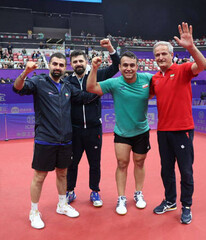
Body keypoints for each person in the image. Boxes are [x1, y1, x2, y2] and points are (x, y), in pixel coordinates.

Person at [13, 52, 97, 229]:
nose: (58, 67)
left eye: (61, 65)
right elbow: (18, 88)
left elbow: (84, 97)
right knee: (40, 176)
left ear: (65, 68)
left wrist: (105, 88)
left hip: (66, 139)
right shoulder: (38, 82)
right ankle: (34, 211)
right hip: (45, 139)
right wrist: (25, 72)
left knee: (63, 173)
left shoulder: (67, 86)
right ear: (49, 66)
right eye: (55, 64)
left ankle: (62, 204)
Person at [150, 22, 206, 224]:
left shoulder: (183, 70)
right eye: (157, 55)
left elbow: (203, 65)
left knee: (185, 170)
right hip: (162, 131)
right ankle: (170, 200)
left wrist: (191, 47)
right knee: (166, 170)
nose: (161, 57)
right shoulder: (155, 78)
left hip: (182, 130)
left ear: (171, 54)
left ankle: (187, 206)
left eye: (164, 53)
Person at [87, 51, 152, 215]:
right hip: (122, 133)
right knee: (122, 164)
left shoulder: (147, 79)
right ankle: (121, 198)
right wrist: (94, 69)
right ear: (120, 67)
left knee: (139, 163)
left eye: (132, 65)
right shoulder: (114, 83)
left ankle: (138, 193)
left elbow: (162, 88)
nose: (129, 68)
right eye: (125, 65)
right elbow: (91, 87)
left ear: (137, 66)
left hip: (142, 131)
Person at [65, 38, 120, 207]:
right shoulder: (68, 81)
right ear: (71, 65)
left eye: (80, 60)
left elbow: (116, 66)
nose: (78, 64)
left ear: (86, 61)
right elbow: (78, 98)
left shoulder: (97, 74)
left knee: (95, 163)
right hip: (74, 129)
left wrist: (110, 48)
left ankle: (95, 191)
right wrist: (97, 94)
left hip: (94, 129)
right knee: (72, 163)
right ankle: (70, 191)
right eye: (74, 62)